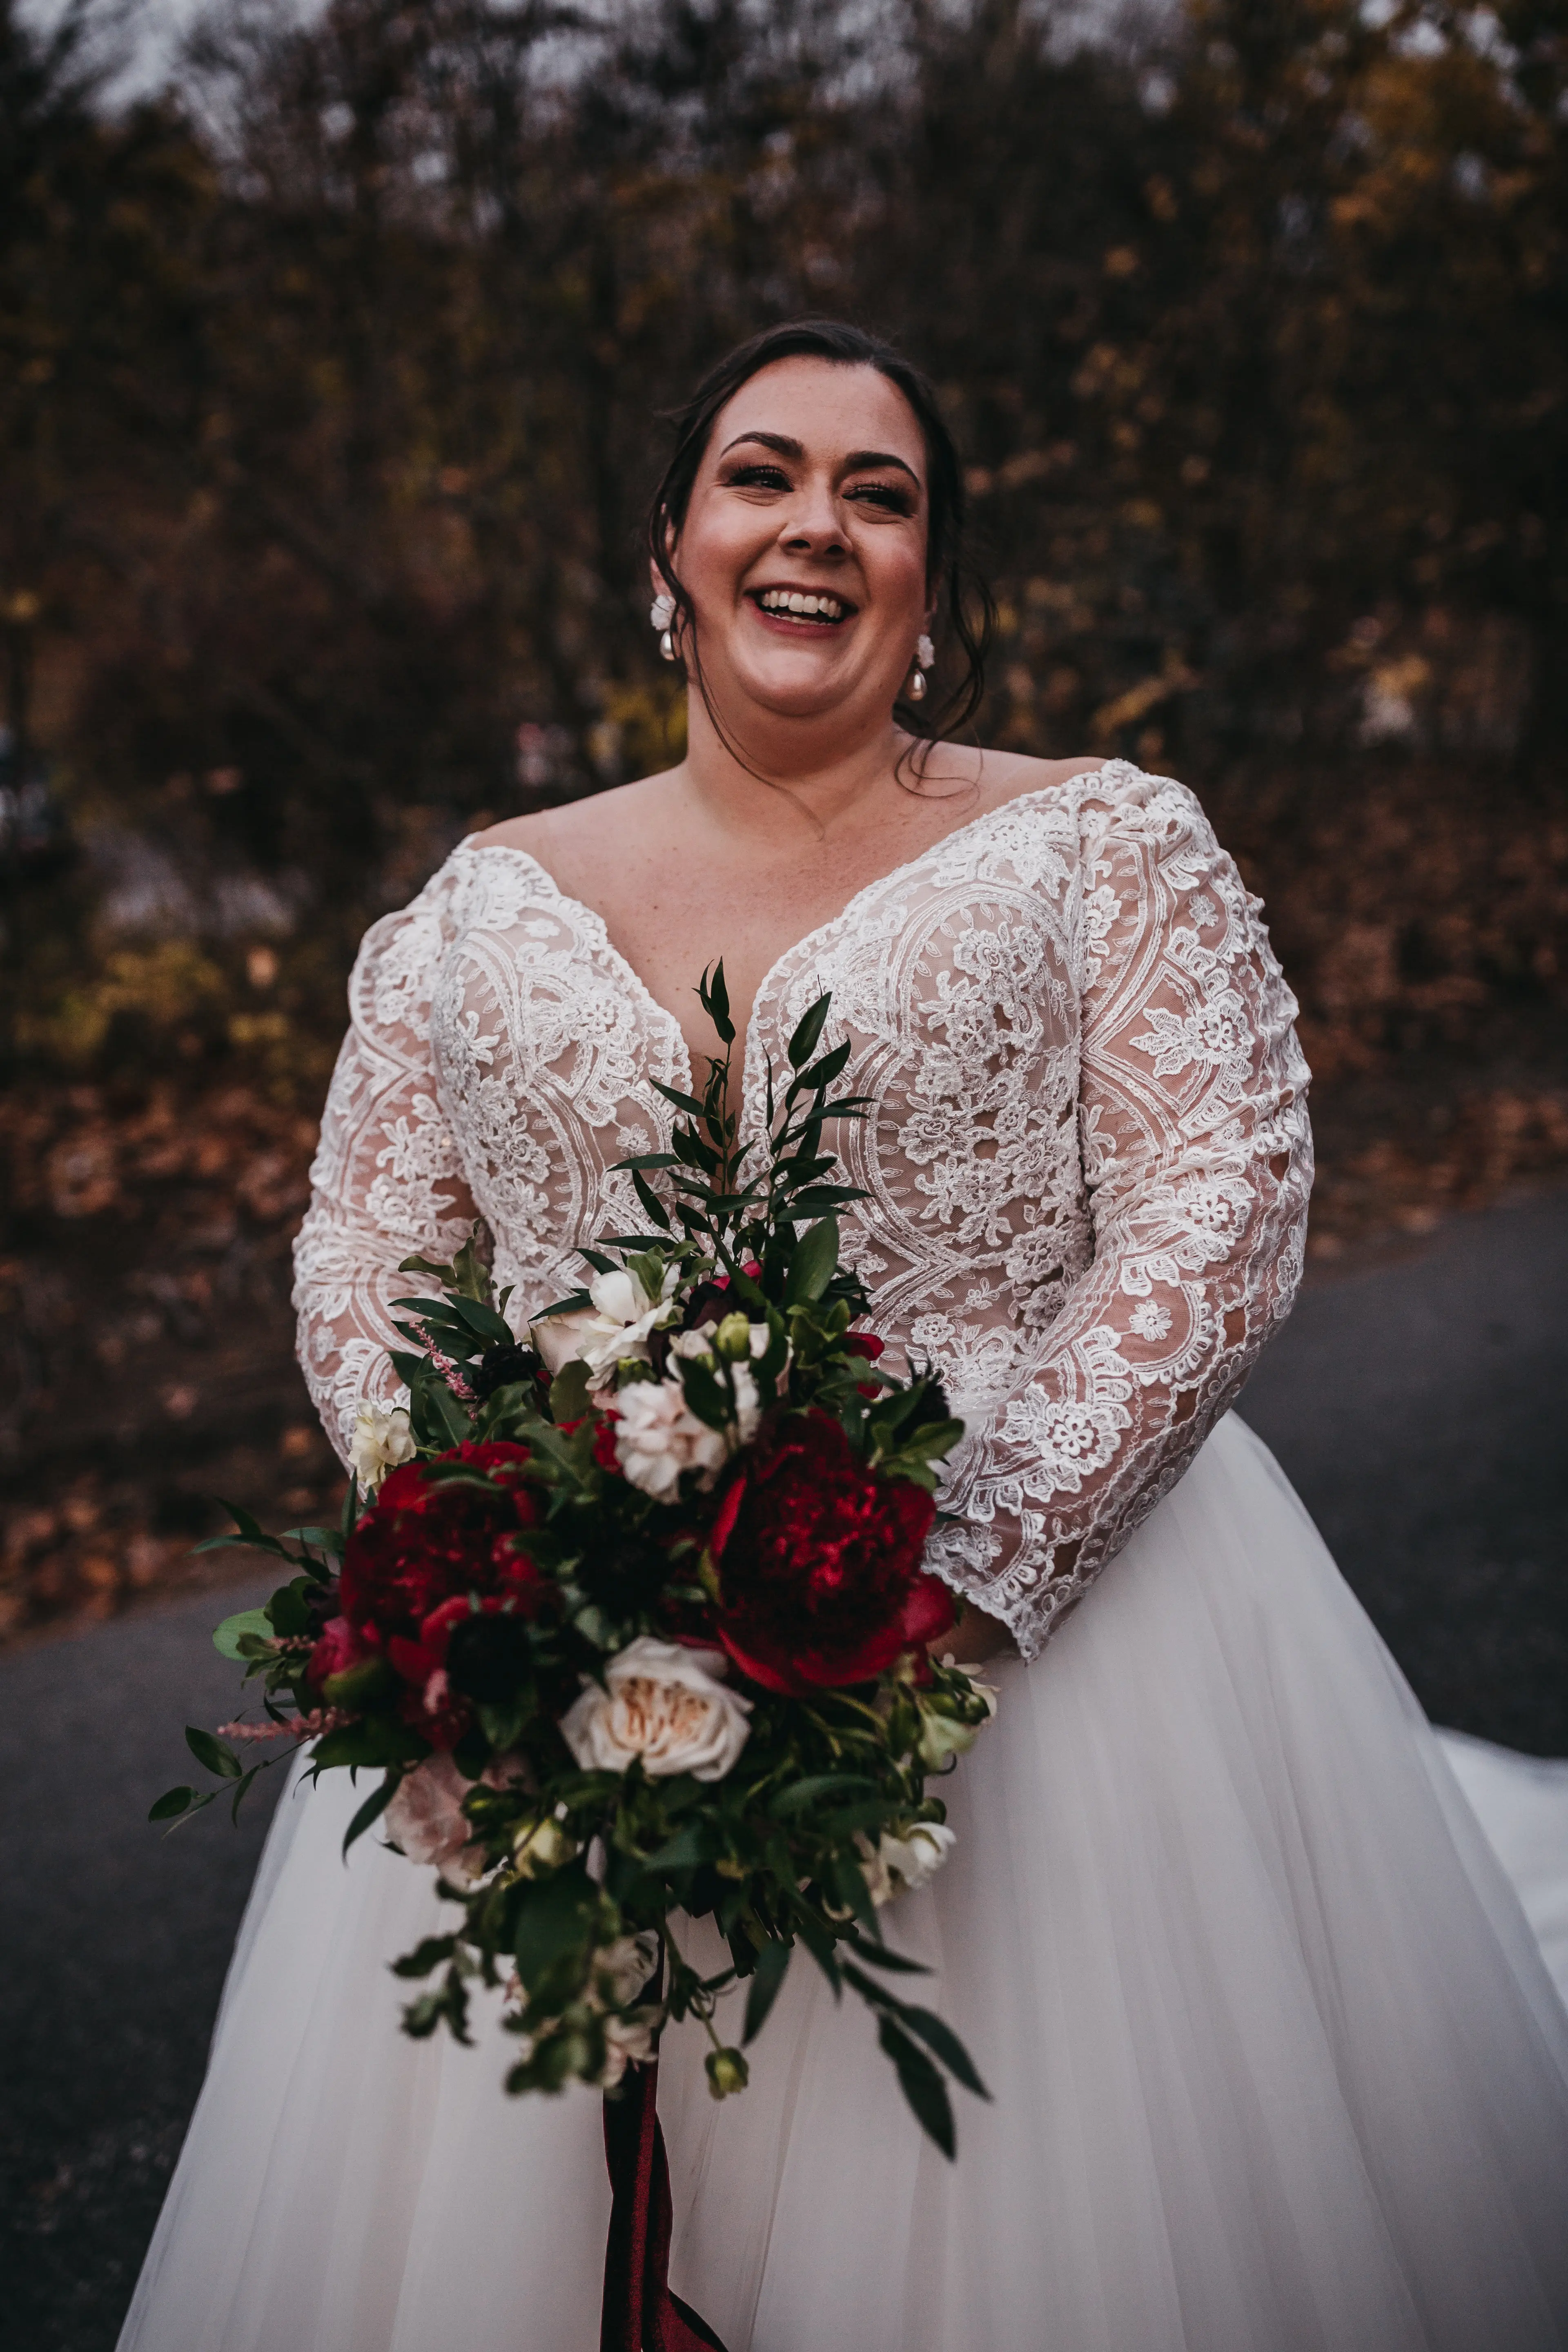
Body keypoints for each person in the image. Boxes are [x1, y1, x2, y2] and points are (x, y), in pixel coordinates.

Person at [119, 321, 1568, 2352]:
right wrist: (477, 1556)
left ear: (933, 585)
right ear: (672, 549)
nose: (819, 524)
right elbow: (365, 1252)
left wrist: (944, 1581)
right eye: (763, 474)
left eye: (879, 497)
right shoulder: (475, 906)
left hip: (1049, 1666)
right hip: (568, 1647)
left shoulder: (1102, 846)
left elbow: (1219, 1208)